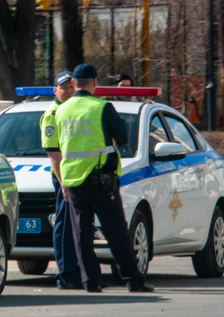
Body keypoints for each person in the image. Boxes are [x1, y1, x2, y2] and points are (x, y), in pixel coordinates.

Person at [55, 64, 154, 293]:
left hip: (72, 180)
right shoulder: (102, 107)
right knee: (116, 230)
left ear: (73, 84)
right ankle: (133, 280)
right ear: (95, 84)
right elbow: (122, 139)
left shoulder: (61, 110)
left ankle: (90, 281)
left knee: (81, 232)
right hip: (101, 179)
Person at [39, 71, 82, 290]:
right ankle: (66, 275)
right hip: (64, 179)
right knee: (64, 227)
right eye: (62, 87)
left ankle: (77, 272)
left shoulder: (72, 112)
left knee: (77, 227)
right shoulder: (52, 114)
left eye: (70, 86)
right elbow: (53, 155)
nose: (67, 90)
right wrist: (64, 183)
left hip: (77, 176)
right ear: (55, 91)